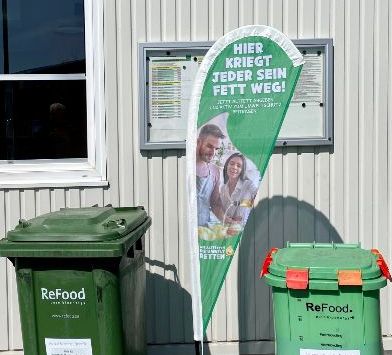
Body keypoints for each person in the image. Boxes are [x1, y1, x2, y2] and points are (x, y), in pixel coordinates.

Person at [196, 124, 233, 226]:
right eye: (209, 146)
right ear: (198, 142)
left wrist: (227, 221)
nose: (213, 152)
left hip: (203, 230)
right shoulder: (188, 166)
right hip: (185, 229)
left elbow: (215, 204)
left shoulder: (214, 171)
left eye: (216, 149)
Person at [220, 153, 257, 227]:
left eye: (239, 166)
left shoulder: (248, 184)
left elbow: (260, 199)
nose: (234, 167)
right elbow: (223, 211)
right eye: (232, 163)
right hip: (228, 229)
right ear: (227, 165)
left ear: (242, 170)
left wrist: (239, 203)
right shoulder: (223, 188)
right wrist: (227, 219)